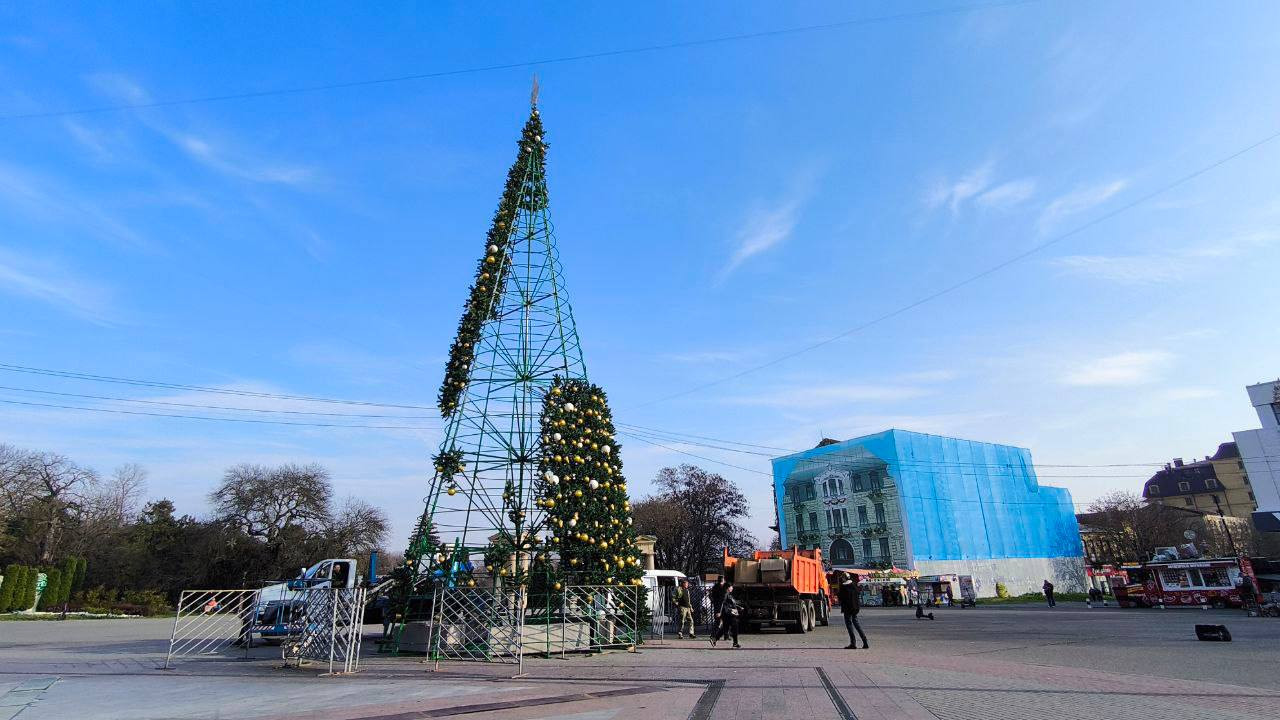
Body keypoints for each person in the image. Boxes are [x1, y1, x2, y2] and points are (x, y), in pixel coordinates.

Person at [837, 572, 869, 649]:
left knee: (849, 625)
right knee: (857, 624)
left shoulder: (843, 586)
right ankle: (865, 641)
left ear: (844, 578)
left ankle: (853, 643)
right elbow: (858, 594)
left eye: (842, 578)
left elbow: (841, 597)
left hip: (847, 608)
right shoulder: (854, 585)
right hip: (855, 608)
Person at [710, 583, 741, 648]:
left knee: (725, 628)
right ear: (728, 588)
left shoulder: (728, 594)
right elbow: (722, 603)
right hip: (728, 613)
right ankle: (735, 643)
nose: (732, 588)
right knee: (734, 626)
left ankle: (715, 638)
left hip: (728, 613)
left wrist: (739, 607)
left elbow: (730, 603)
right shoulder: (725, 594)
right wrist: (719, 612)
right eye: (731, 587)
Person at [708, 577, 727, 641]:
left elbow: (710, 595)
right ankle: (721, 635)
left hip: (716, 605)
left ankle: (715, 634)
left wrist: (713, 601)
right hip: (721, 606)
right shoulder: (723, 587)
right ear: (723, 580)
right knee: (722, 621)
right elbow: (723, 598)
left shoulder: (715, 587)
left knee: (718, 621)